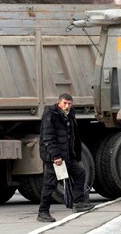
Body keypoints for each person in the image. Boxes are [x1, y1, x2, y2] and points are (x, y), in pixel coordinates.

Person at [37, 93, 93, 222]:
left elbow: (73, 136)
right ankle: (42, 212)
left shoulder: (70, 114)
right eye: (64, 103)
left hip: (67, 156)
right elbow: (48, 138)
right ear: (59, 103)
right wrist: (55, 156)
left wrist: (75, 154)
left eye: (69, 103)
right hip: (55, 158)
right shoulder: (51, 115)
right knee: (50, 184)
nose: (67, 106)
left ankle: (78, 203)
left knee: (80, 172)